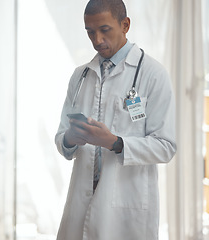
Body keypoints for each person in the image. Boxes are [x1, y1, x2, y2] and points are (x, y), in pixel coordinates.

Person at [54, 0, 176, 239]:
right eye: (90, 32)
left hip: (126, 206)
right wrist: (70, 138)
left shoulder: (153, 74)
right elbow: (61, 140)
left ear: (125, 25)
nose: (97, 39)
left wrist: (114, 142)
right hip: (81, 202)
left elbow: (166, 146)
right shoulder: (80, 76)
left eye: (104, 30)